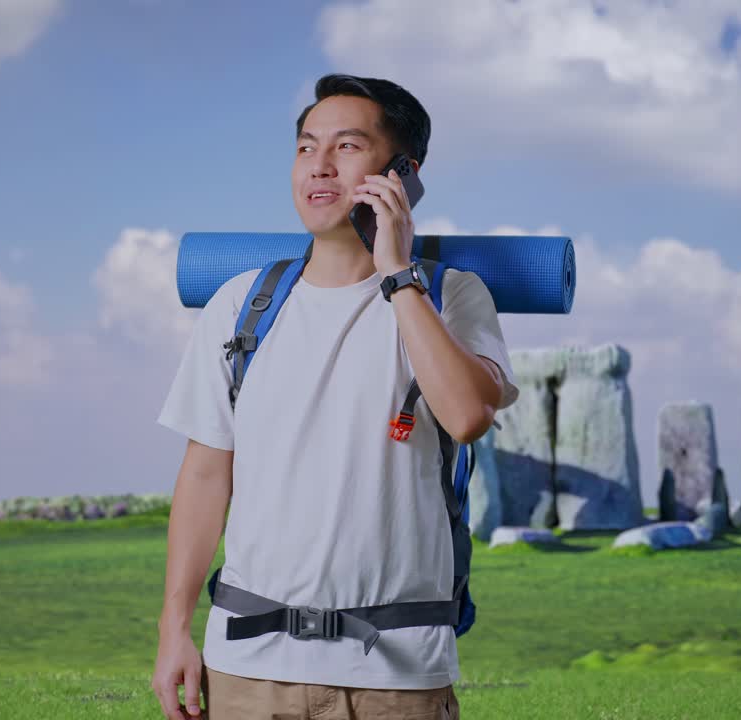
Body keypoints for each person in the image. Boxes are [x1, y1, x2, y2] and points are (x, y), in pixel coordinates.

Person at [151, 73, 519, 719]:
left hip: (397, 678)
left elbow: (467, 416)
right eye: (304, 147)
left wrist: (398, 273)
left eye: (346, 147)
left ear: (402, 171)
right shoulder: (241, 306)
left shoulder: (453, 297)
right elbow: (206, 476)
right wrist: (173, 629)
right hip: (244, 666)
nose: (318, 166)